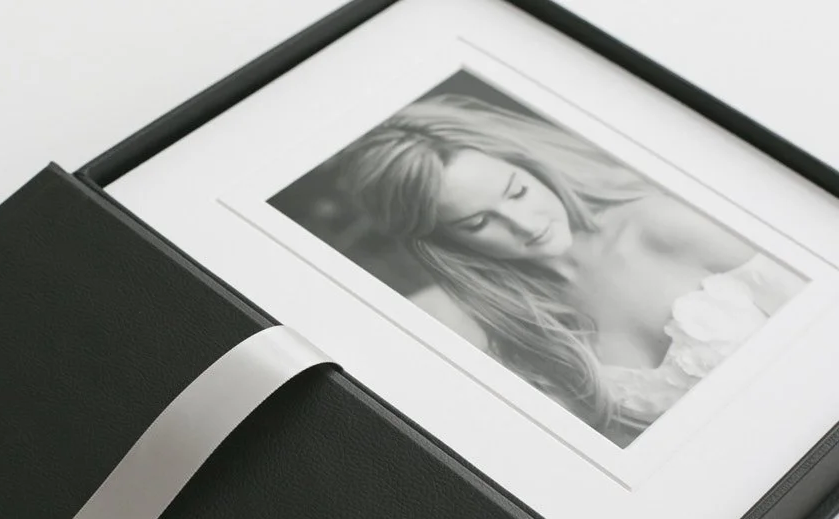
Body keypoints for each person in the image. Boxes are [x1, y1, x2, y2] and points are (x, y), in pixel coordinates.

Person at [337, 93, 804, 444]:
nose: (523, 224)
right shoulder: (520, 329)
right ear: (447, 242)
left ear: (532, 168)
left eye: (517, 192)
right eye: (479, 222)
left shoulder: (665, 225)